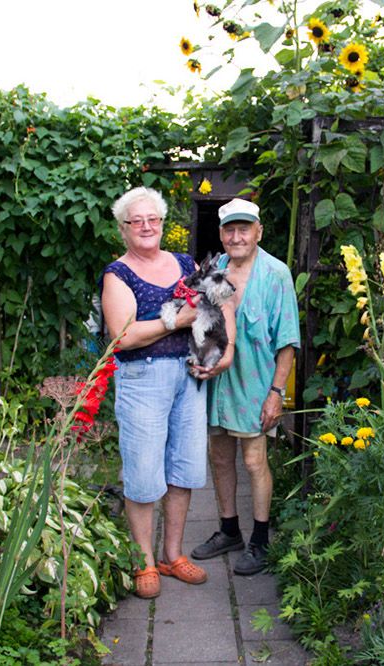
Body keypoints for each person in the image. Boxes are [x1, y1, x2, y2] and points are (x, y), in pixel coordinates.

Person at [100, 186, 233, 598]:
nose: (145, 226)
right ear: (123, 229)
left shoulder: (182, 262)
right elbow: (123, 336)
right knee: (142, 473)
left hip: (189, 377)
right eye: (135, 221)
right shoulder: (117, 274)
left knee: (185, 468)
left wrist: (221, 352)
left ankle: (171, 555)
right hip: (143, 379)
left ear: (162, 223)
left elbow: (219, 299)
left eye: (152, 219)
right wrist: (176, 321)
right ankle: (142, 562)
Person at [190, 198, 300, 575]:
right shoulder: (214, 269)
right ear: (221, 235)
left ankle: (260, 540)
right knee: (219, 457)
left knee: (254, 461)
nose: (237, 237)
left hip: (256, 386)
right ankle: (229, 530)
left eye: (244, 229)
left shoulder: (275, 274)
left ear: (258, 232)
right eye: (230, 230)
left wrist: (277, 393)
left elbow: (287, 340)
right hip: (216, 384)